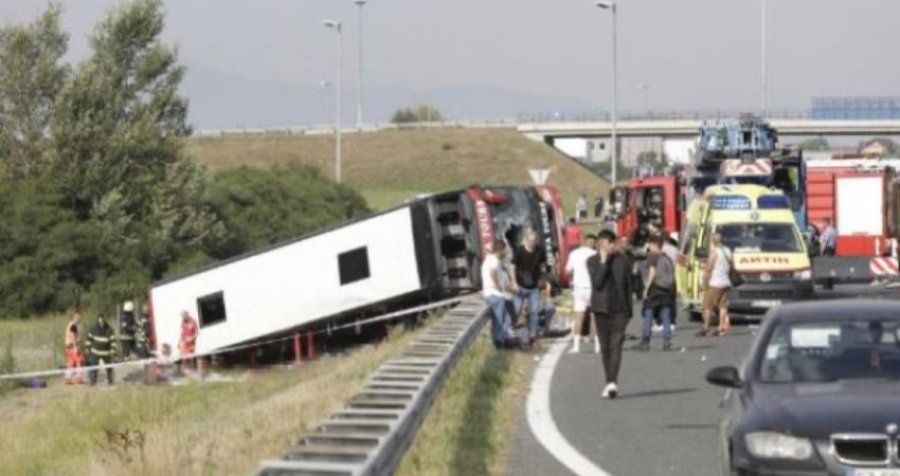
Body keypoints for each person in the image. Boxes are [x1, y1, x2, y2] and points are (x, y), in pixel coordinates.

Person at [589, 229, 633, 399]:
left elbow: (628, 285)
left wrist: (629, 311)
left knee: (616, 345)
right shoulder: (592, 262)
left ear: (613, 244)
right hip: (601, 309)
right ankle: (609, 381)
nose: (606, 248)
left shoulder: (622, 260)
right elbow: (598, 283)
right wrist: (603, 262)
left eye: (608, 244)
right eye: (602, 245)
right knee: (605, 347)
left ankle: (613, 382)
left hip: (619, 310)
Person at [634, 235, 677, 351]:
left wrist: (646, 288)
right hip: (666, 291)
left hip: (655, 291)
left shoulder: (652, 256)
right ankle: (667, 342)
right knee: (666, 317)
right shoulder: (667, 257)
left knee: (648, 315)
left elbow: (652, 272)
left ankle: (645, 341)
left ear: (653, 244)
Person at [512, 230, 548, 346]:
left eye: (534, 240)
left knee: (534, 311)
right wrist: (514, 282)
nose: (533, 243)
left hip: (534, 287)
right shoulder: (519, 251)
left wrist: (543, 280)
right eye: (530, 240)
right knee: (516, 309)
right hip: (520, 285)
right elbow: (512, 267)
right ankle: (510, 332)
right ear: (526, 240)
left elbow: (542, 265)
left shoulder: (540, 251)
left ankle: (533, 335)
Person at [565, 234, 600, 354]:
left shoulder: (574, 254)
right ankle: (597, 345)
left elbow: (568, 270)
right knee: (595, 316)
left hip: (579, 288)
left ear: (584, 242)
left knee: (579, 317)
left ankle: (576, 346)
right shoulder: (595, 254)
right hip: (593, 288)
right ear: (594, 244)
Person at [482, 240, 517, 349]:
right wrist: (497, 285)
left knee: (506, 318)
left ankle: (502, 339)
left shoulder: (488, 260)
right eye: (504, 250)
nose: (505, 253)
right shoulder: (494, 260)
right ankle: (498, 342)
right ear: (500, 250)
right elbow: (492, 273)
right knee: (499, 320)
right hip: (495, 294)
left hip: (492, 294)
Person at [701, 233, 733, 337]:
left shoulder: (714, 253)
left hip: (715, 282)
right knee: (722, 305)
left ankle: (706, 328)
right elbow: (731, 264)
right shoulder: (727, 250)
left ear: (713, 241)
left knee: (707, 306)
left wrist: (704, 280)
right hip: (726, 281)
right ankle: (721, 327)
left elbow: (709, 269)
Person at [87, 314, 117, 385]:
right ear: (98, 320)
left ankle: (110, 381)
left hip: (106, 353)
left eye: (102, 321)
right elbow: (89, 340)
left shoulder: (109, 329)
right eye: (100, 321)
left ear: (104, 320)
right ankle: (93, 381)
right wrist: (88, 349)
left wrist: (113, 350)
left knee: (109, 367)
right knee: (94, 367)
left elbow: (113, 341)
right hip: (95, 352)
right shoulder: (93, 329)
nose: (101, 322)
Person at [63, 313, 85, 385]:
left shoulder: (70, 325)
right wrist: (76, 347)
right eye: (78, 319)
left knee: (70, 362)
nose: (79, 320)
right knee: (79, 361)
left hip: (68, 346)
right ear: (75, 319)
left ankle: (68, 377)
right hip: (72, 346)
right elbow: (73, 337)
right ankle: (79, 377)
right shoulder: (73, 326)